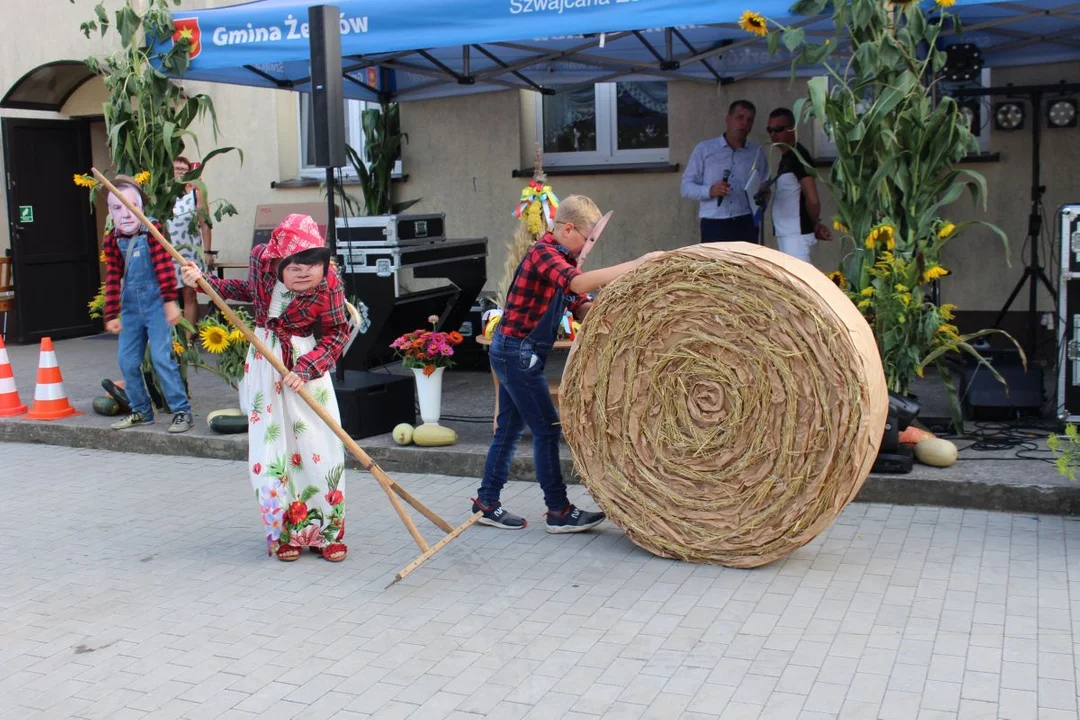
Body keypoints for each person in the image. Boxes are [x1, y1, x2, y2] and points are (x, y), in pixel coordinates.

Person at [472, 195, 663, 532]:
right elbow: (576, 283)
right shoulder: (545, 253)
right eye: (588, 239)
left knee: (509, 429)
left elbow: (579, 302)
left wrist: (615, 315)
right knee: (546, 430)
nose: (587, 247)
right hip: (516, 353)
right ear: (569, 229)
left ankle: (486, 502)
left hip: (516, 352)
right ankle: (558, 511)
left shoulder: (563, 259)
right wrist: (638, 263)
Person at [181, 214, 351, 563]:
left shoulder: (329, 284)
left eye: (312, 265)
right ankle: (284, 534)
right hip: (264, 364)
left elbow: (337, 333)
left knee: (319, 445)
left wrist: (304, 369)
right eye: (295, 266)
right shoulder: (263, 269)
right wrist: (202, 282)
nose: (305, 273)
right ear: (278, 265)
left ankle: (325, 533)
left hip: (306, 365)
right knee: (270, 452)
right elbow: (245, 291)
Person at [102, 175, 193, 433]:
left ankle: (181, 412)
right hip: (131, 308)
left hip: (156, 306)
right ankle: (141, 411)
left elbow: (164, 268)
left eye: (132, 205)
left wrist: (169, 302)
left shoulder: (153, 230)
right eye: (118, 207)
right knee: (127, 361)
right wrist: (111, 313)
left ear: (141, 205)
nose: (126, 214)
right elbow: (112, 276)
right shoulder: (112, 239)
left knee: (162, 358)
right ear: (110, 212)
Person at [681, 100, 769, 243]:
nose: (744, 123)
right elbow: (686, 188)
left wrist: (764, 196)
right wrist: (710, 190)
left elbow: (765, 186)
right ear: (728, 119)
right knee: (715, 265)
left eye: (749, 120)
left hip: (746, 222)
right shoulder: (704, 149)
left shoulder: (757, 153)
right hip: (715, 223)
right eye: (740, 117)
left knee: (745, 265)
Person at [765, 108, 831, 262]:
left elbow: (812, 198)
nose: (773, 134)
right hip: (787, 232)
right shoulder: (788, 156)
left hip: (796, 233)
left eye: (778, 129)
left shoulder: (798, 156)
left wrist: (814, 223)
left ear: (791, 129)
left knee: (797, 281)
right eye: (770, 130)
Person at [167, 156, 213, 332]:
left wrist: (207, 252)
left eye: (183, 169)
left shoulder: (195, 193)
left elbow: (205, 224)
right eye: (176, 169)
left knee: (189, 294)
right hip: (168, 252)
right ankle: (173, 338)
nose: (179, 172)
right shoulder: (164, 194)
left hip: (189, 251)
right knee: (168, 294)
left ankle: (188, 338)